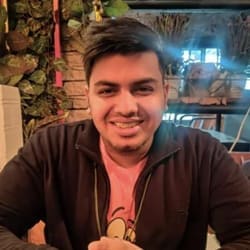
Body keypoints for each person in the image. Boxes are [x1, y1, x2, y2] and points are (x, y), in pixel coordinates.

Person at [0, 17, 250, 250]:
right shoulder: (51, 148)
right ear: (89, 98)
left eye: (142, 89)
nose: (127, 108)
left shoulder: (202, 154)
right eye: (108, 91)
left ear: (164, 94)